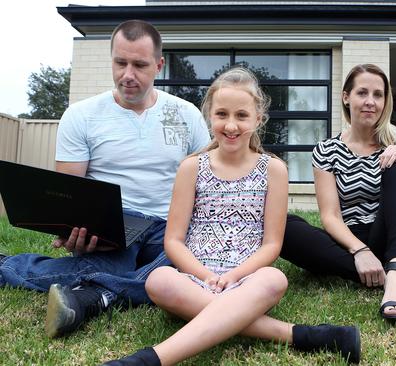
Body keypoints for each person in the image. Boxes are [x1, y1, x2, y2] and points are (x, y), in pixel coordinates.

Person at [102, 67, 361, 366]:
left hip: (248, 281)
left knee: (275, 278)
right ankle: (303, 336)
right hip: (194, 279)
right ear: (209, 116)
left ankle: (151, 359)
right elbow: (173, 240)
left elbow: (271, 246)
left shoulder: (274, 170)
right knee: (158, 279)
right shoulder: (191, 167)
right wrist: (206, 276)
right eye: (222, 114)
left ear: (258, 119)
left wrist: (234, 276)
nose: (231, 125)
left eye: (241, 115)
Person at [0, 20, 211, 338]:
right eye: (120, 62)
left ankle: (95, 294)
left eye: (139, 65)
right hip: (113, 224)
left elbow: (206, 186)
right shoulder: (81, 115)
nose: (128, 74)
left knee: (188, 261)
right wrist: (71, 228)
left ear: (158, 64)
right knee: (144, 271)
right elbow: (68, 195)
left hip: (170, 227)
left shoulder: (187, 115)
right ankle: (10, 267)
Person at [280, 64, 396, 325]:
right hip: (350, 241)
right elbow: (330, 216)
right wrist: (359, 251)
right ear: (347, 97)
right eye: (362, 93)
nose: (370, 102)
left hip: (394, 237)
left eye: (378, 95)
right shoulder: (326, 150)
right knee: (284, 227)